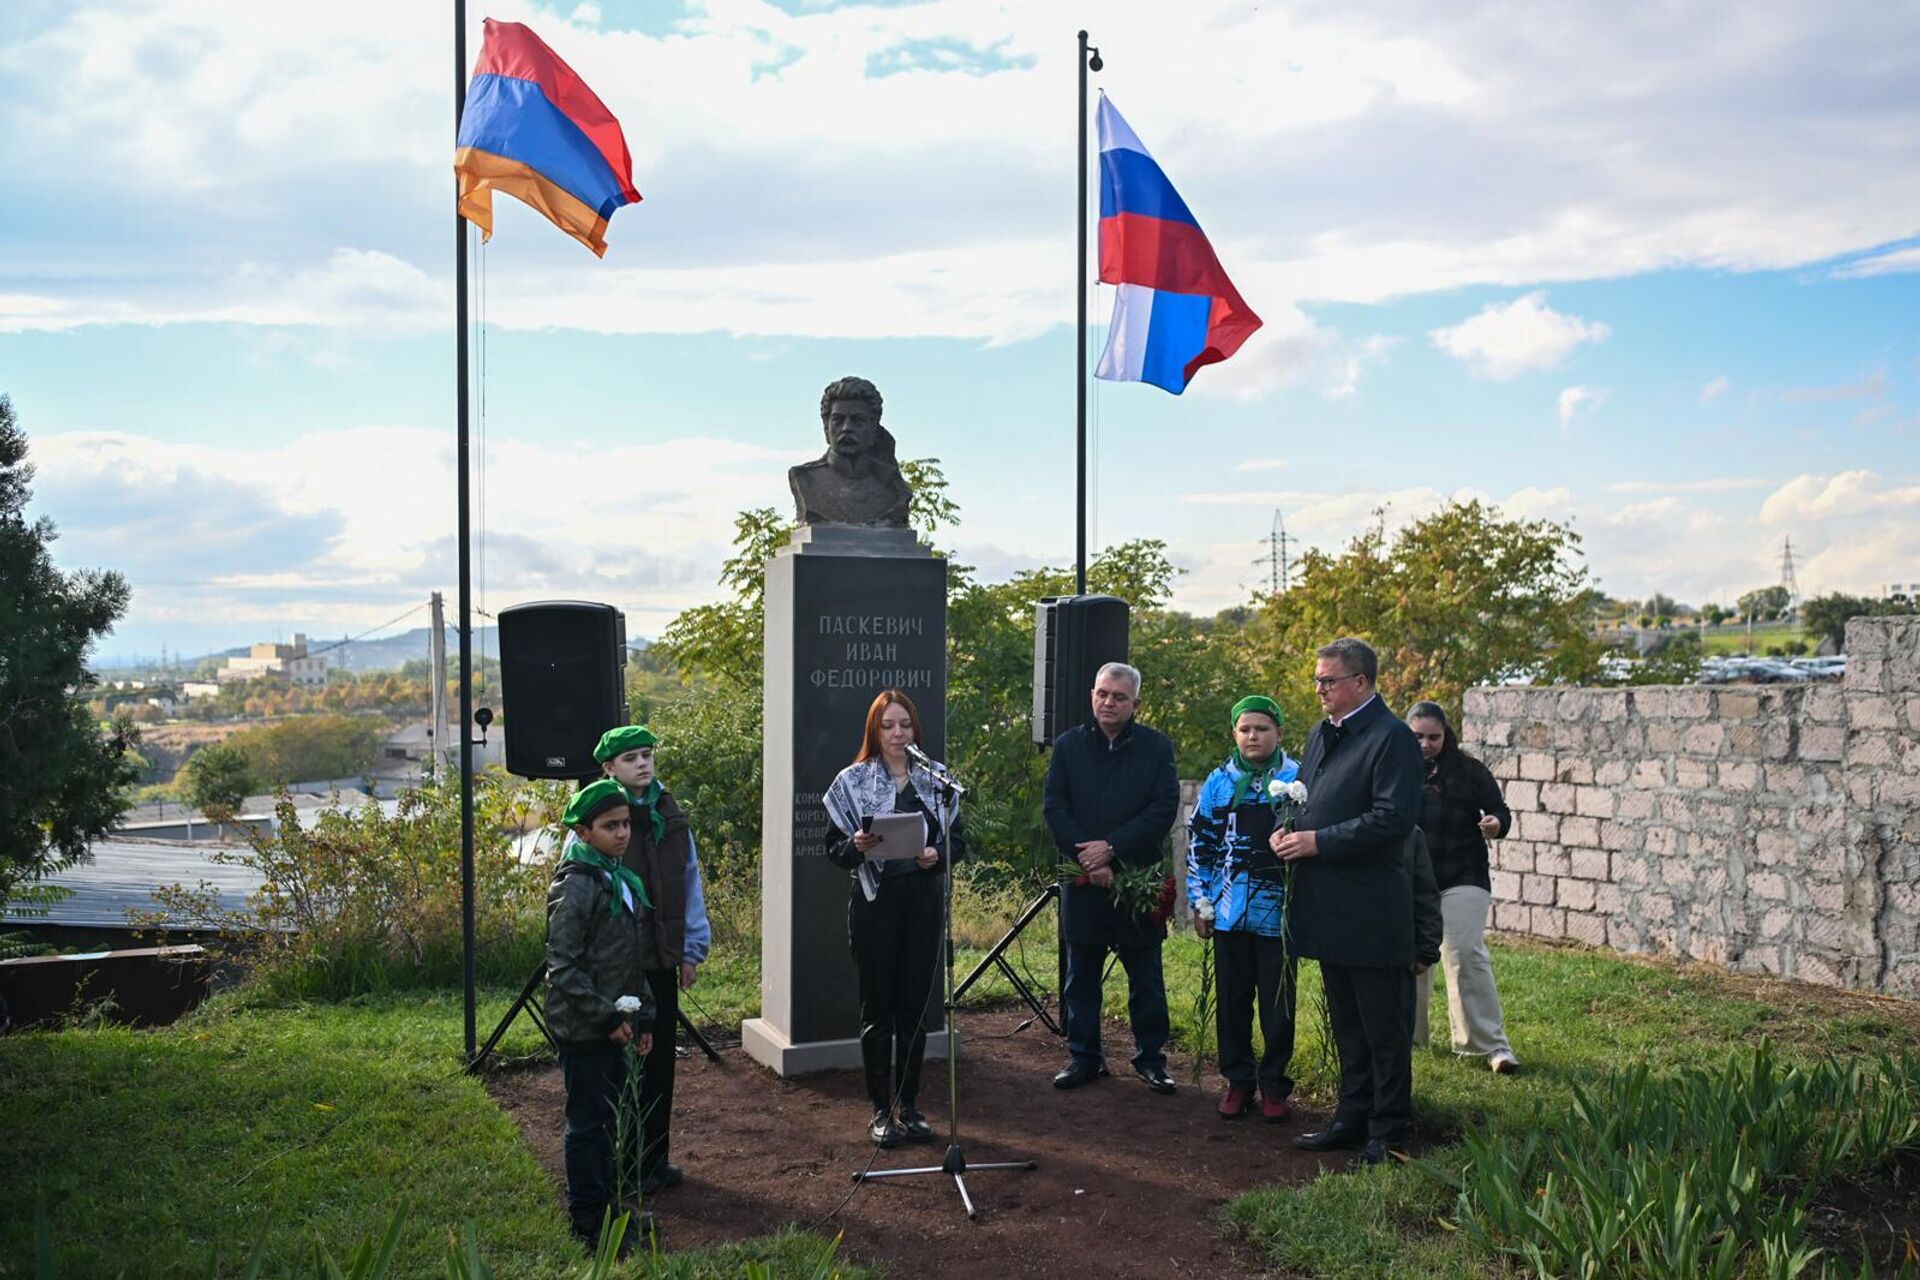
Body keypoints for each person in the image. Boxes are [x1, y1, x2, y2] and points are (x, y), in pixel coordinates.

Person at [1276, 638, 1425, 1167]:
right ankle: (1350, 1117)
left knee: (1383, 1027)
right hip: (1328, 904)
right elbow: (1308, 795)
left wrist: (1318, 842)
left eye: (1328, 681)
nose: (1319, 689)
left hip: (1372, 908)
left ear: (1360, 683)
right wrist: (1289, 829)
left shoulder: (1393, 739)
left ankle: (1389, 1131)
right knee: (1346, 1022)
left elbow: (1393, 820)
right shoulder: (1321, 733)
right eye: (1317, 680)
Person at [823, 689, 957, 1147]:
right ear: (874, 731)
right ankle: (880, 1110)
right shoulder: (852, 781)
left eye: (905, 725)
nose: (898, 734)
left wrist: (936, 855)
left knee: (915, 1010)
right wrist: (856, 847)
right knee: (877, 1010)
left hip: (921, 900)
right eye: (888, 726)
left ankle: (911, 1104)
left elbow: (959, 843)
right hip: (875, 905)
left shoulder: (937, 781)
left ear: (916, 730)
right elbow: (835, 852)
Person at [1045, 661, 1181, 1095]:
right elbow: (1055, 808)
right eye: (1103, 693)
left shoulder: (1157, 749)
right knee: (1080, 978)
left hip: (1136, 881)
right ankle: (1084, 1057)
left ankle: (1150, 1059)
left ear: (1135, 703)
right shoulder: (1068, 746)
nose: (1109, 702)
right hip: (1084, 881)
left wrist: (1113, 849)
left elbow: (1163, 810)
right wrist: (1090, 858)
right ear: (1092, 695)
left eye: (1119, 697)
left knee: (1146, 979)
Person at [594, 724, 713, 1196]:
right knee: (619, 1066)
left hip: (661, 958)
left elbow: (690, 882)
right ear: (609, 768)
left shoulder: (670, 813)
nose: (643, 764)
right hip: (619, 965)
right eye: (630, 758)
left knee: (659, 1063)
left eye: (647, 755)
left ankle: (652, 1159)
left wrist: (690, 949)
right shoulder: (599, 817)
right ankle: (614, 1162)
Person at [545, 778, 658, 1255]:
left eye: (626, 823)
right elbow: (562, 968)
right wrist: (606, 1017)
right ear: (584, 831)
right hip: (585, 1029)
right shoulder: (576, 885)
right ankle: (587, 1217)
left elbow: (630, 960)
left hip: (618, 1025)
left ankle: (608, 1203)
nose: (622, 833)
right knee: (587, 1123)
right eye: (609, 826)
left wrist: (644, 1017)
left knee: (611, 1118)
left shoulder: (617, 876)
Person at [1187, 694, 1302, 1121]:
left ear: (1279, 733)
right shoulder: (1219, 781)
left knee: (1278, 1002)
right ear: (1235, 734)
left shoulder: (1298, 779)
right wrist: (1201, 902)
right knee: (1233, 1000)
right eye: (1245, 729)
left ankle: (1274, 1084)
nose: (1253, 736)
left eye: (1262, 728)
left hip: (1280, 915)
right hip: (1230, 911)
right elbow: (1202, 844)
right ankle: (1238, 1080)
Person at [1405, 702, 1519, 1075]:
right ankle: (1409, 1037)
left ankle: (1489, 1045)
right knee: (1410, 957)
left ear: (1446, 736)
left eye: (1433, 737)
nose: (1425, 744)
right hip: (1409, 878)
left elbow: (1502, 813)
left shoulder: (1469, 771)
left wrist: (1494, 824)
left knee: (1463, 951)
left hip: (1463, 873)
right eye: (1417, 736)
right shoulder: (1394, 769)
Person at [788, 375, 912, 526]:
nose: (847, 428)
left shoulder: (893, 487)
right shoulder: (806, 479)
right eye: (838, 420)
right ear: (826, 428)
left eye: (857, 420)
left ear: (873, 428)